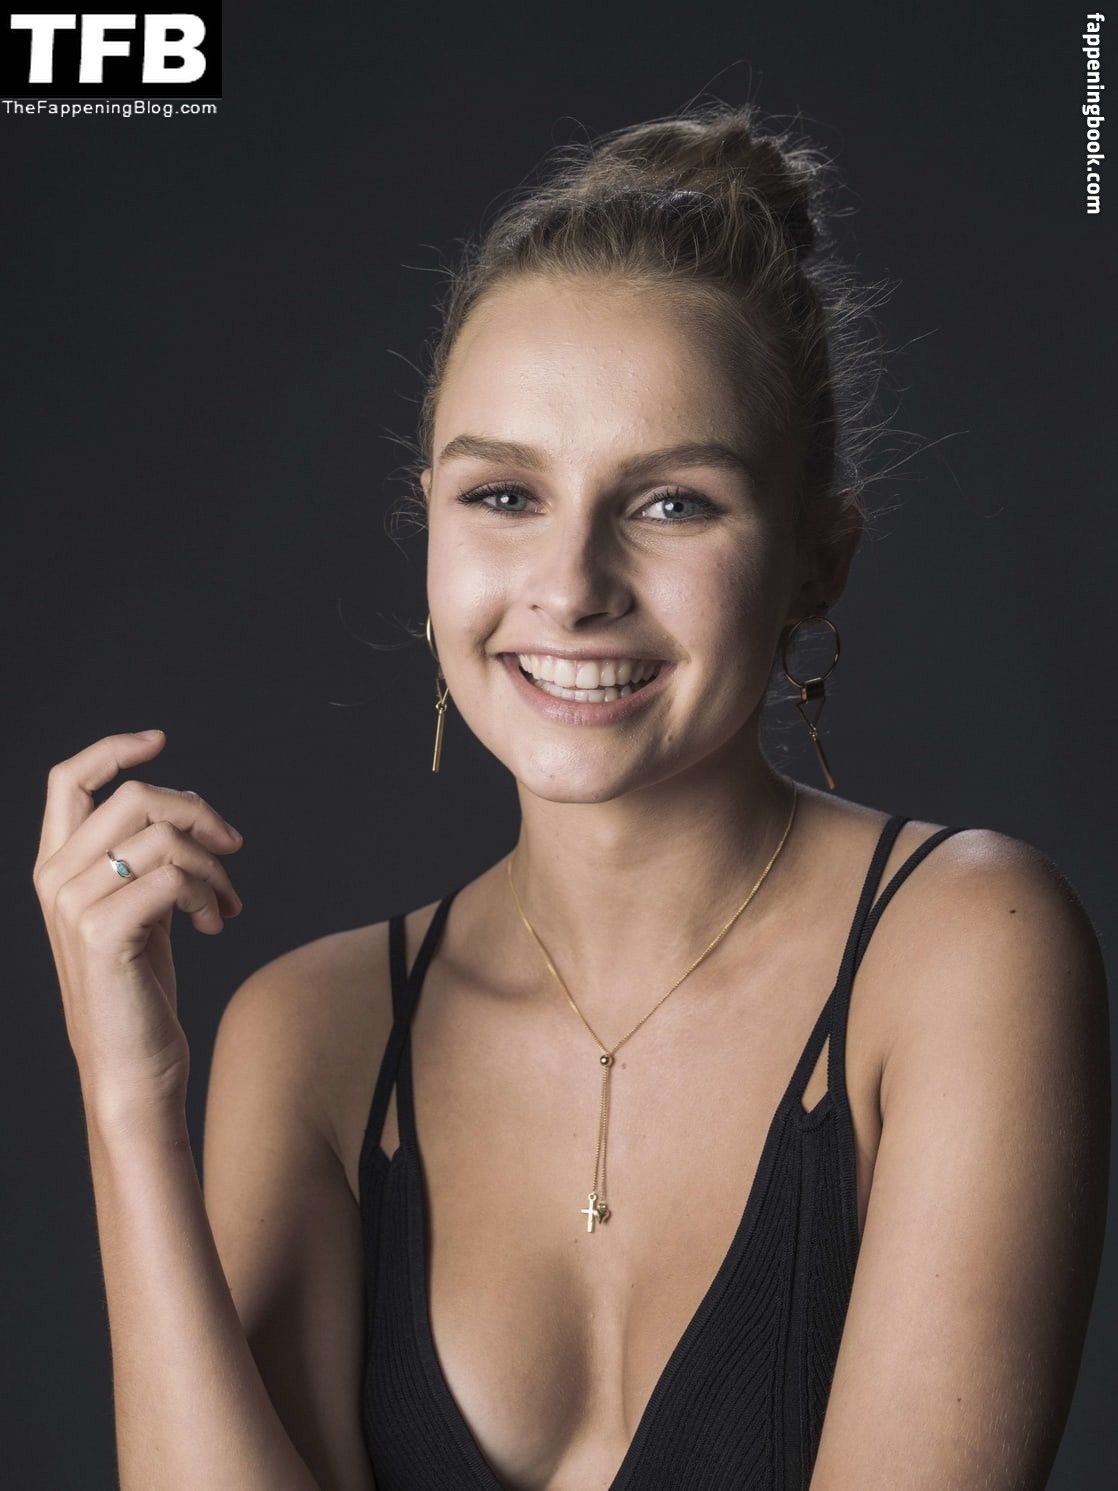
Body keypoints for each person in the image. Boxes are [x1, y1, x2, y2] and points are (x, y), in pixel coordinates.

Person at [33, 102, 1109, 1491]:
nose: (572, 587)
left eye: (672, 504)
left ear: (816, 558)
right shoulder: (309, 1036)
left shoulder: (964, 949)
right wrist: (127, 1099)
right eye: (504, 497)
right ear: (431, 521)